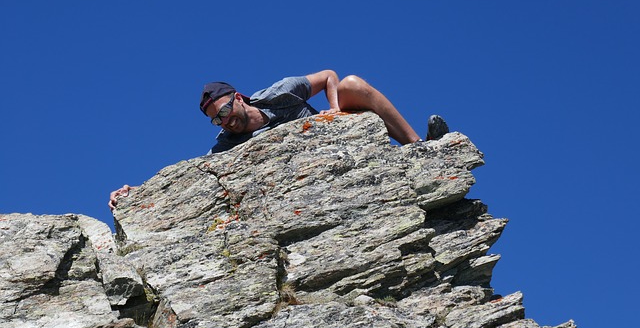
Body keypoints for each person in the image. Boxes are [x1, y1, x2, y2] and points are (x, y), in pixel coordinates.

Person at [108, 70, 448, 210]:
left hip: (341, 133)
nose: (224, 120)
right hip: (317, 173)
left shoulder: (279, 93)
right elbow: (193, 176)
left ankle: (418, 147)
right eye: (216, 119)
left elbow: (329, 75)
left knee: (351, 84)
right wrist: (136, 193)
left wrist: (334, 111)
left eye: (225, 110)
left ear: (238, 97)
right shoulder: (227, 143)